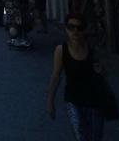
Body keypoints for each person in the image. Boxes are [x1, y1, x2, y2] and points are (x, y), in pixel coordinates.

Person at [47, 12, 110, 140]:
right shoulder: (61, 50)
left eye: (79, 28)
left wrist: (101, 72)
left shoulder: (92, 49)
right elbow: (56, 76)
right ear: (66, 29)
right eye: (71, 27)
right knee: (81, 135)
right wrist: (50, 101)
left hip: (95, 101)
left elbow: (103, 75)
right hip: (73, 100)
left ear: (84, 30)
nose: (75, 31)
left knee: (96, 137)